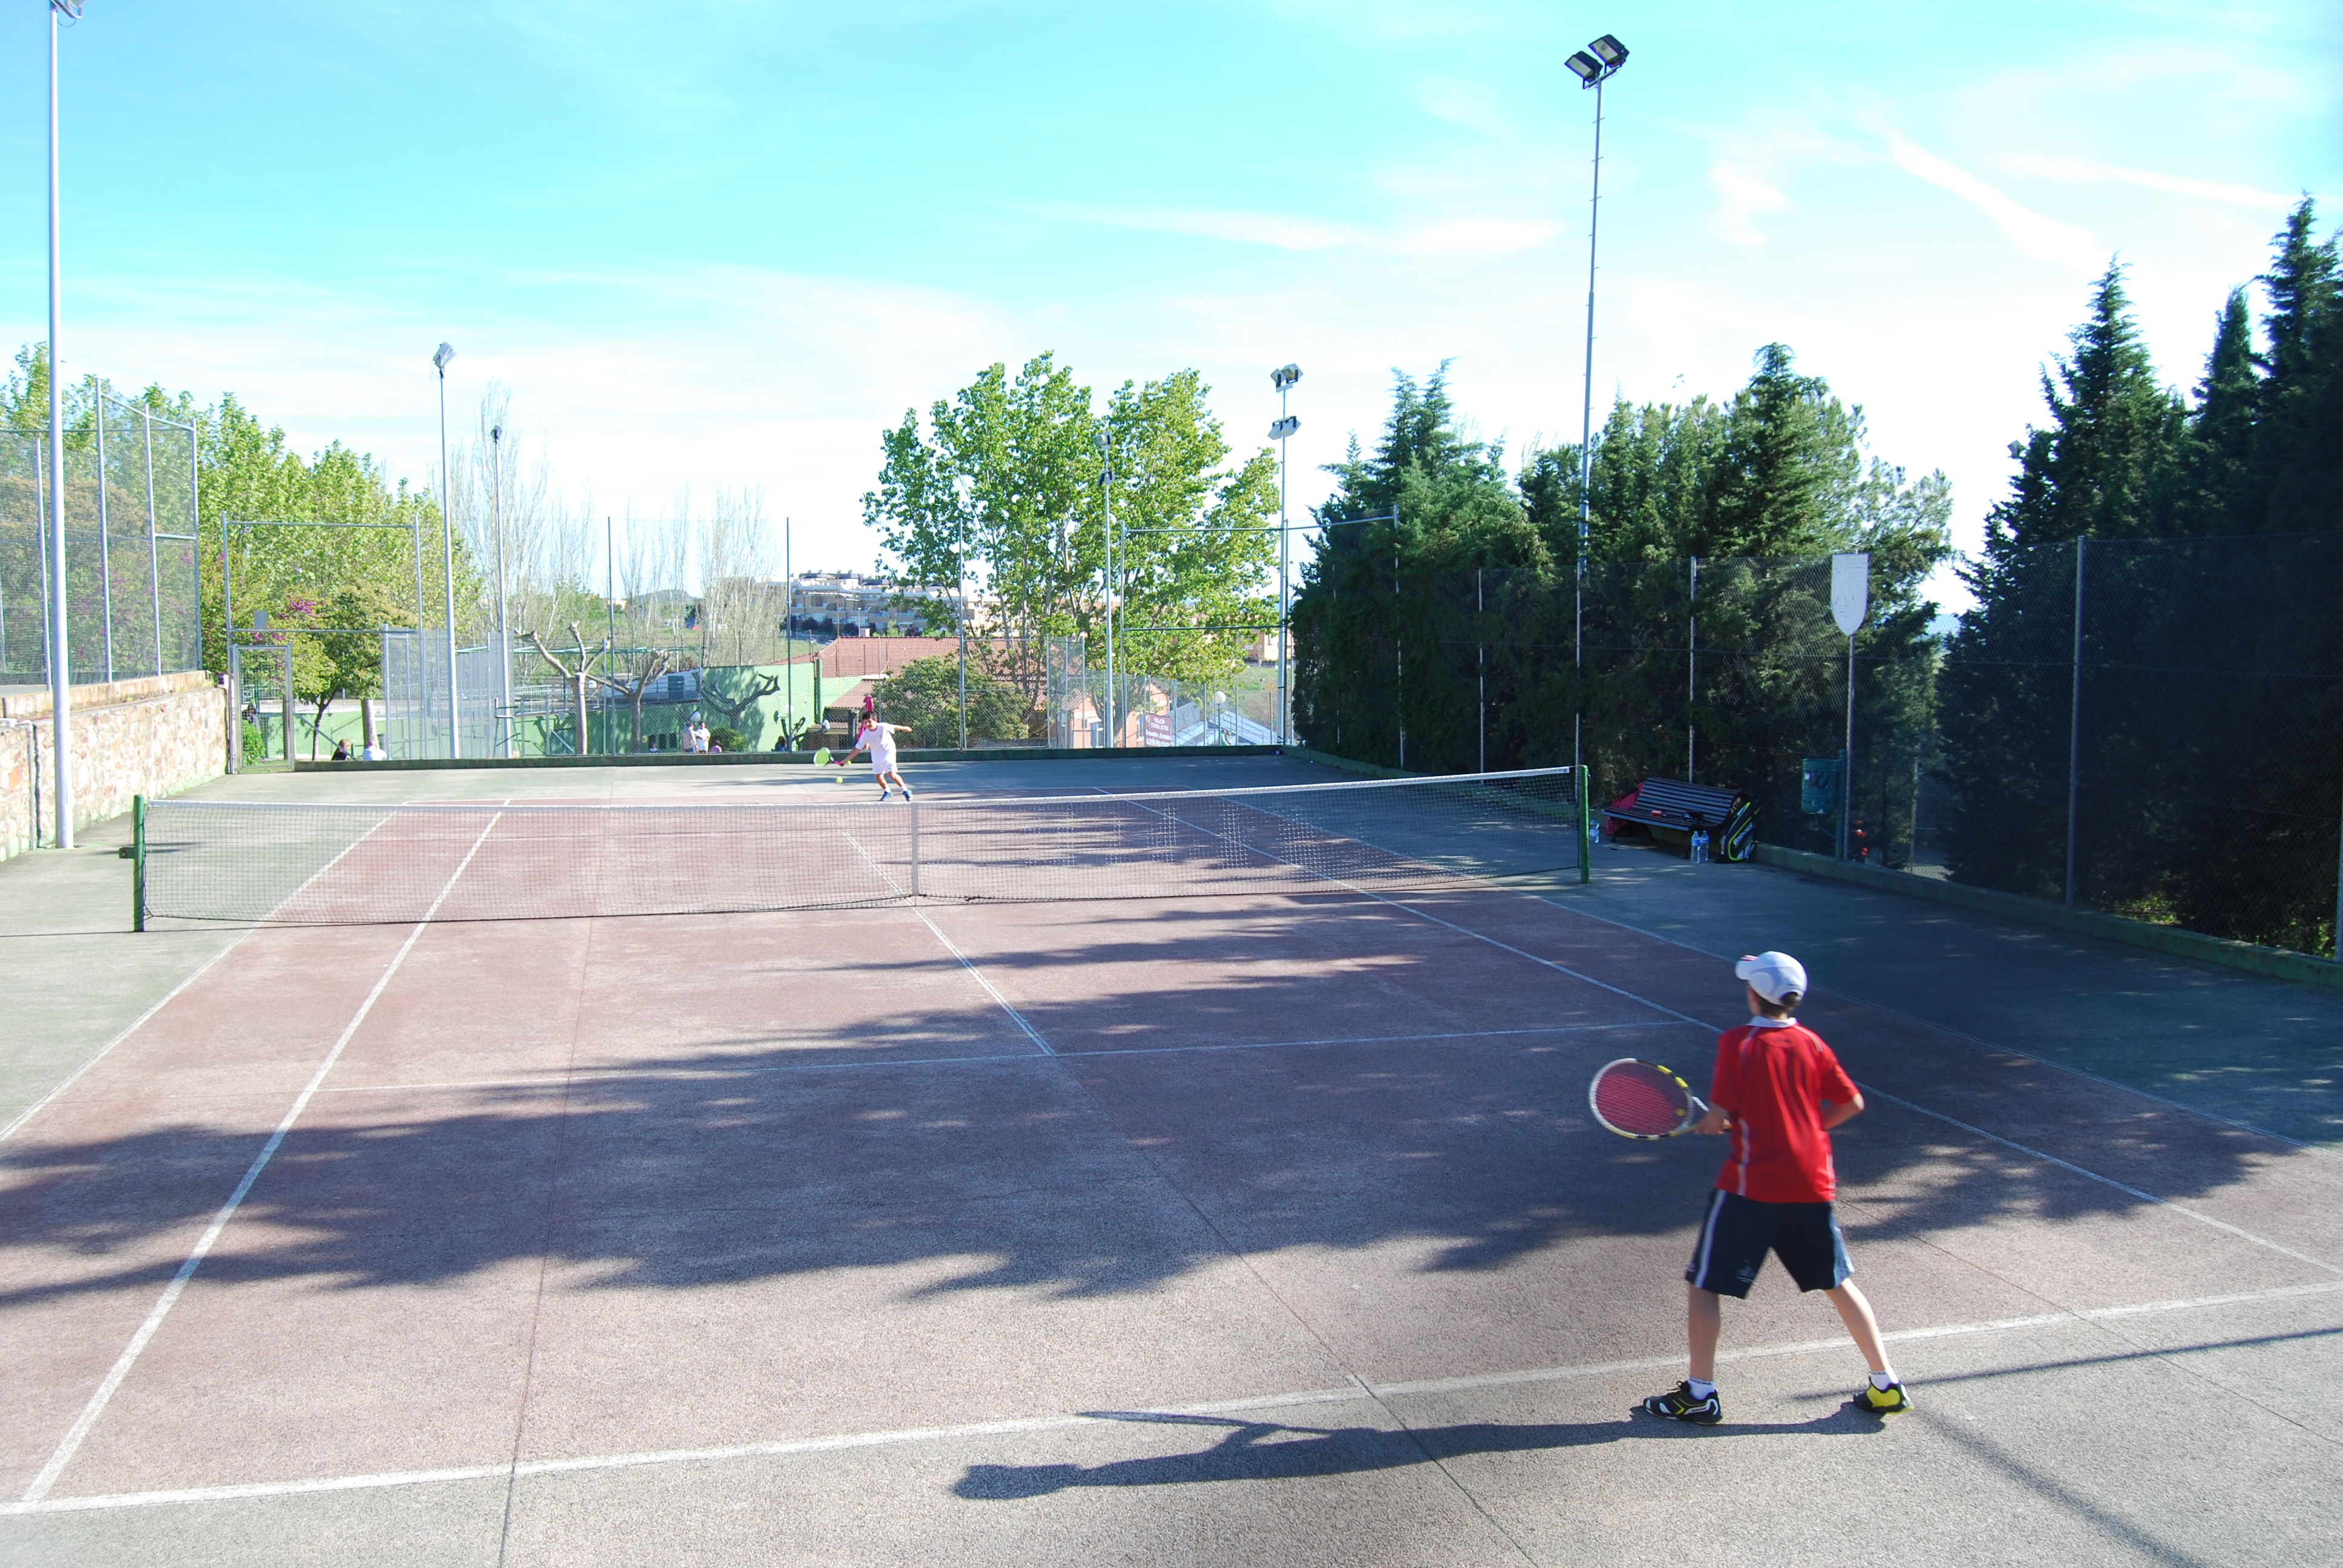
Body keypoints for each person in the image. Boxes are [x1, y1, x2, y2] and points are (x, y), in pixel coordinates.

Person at [1640, 950, 1911, 1425]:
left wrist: (1714, 1123)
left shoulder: (1738, 1043)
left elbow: (1718, 1118)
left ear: (1753, 995)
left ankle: (1701, 1393)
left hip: (1752, 1186)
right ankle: (1885, 1383)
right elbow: (1851, 1103)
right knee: (1837, 1282)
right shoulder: (1813, 1043)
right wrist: (1801, 1130)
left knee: (1704, 1284)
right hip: (1812, 1182)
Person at [843, 715, 914, 800]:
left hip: (889, 752)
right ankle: (887, 792)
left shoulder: (883, 727)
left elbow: (894, 727)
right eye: (865, 722)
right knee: (878, 777)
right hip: (876, 755)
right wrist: (845, 761)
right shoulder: (866, 735)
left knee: (892, 774)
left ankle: (905, 791)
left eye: (870, 722)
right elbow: (857, 749)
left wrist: (905, 728)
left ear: (875, 721)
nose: (868, 724)